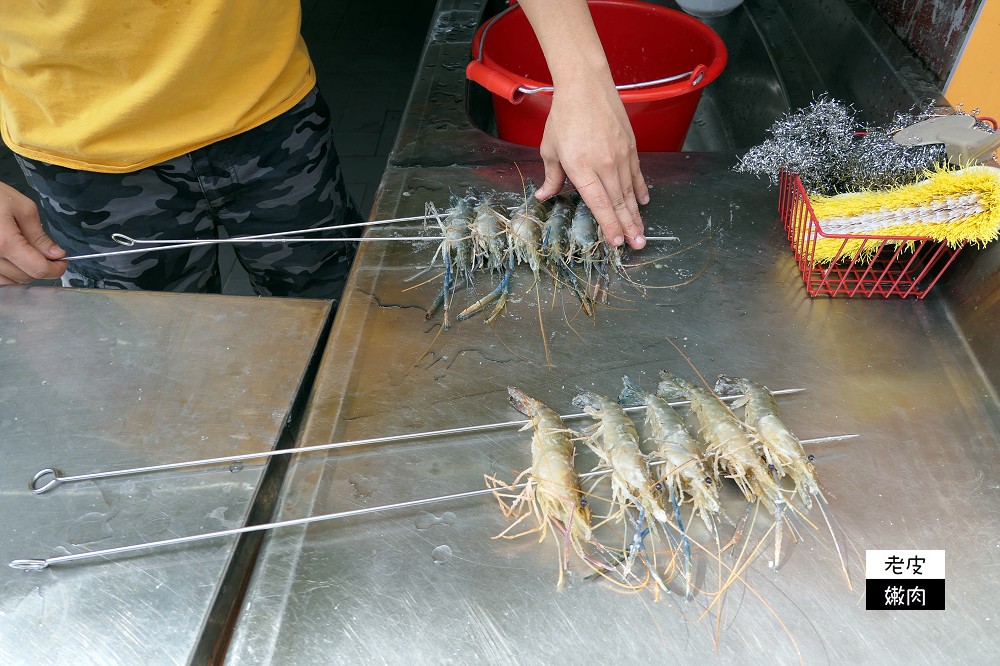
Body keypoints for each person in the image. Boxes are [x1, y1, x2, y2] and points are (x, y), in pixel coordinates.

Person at [0, 0, 646, 292]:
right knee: (146, 352)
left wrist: (585, 80)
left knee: (324, 299)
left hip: (274, 120)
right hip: (79, 155)